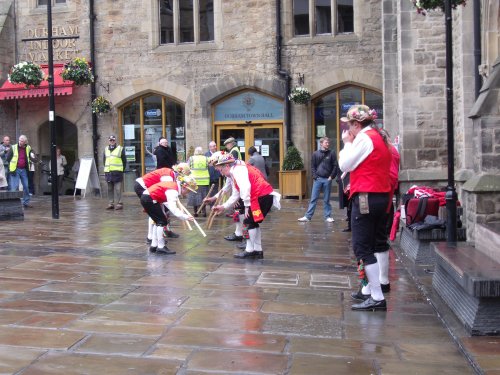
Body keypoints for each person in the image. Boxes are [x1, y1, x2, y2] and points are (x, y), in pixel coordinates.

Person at [338, 105, 392, 311]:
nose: (348, 130)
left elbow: (345, 165)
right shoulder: (379, 137)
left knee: (362, 247)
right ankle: (370, 289)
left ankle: (377, 297)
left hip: (367, 198)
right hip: (381, 196)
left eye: (349, 125)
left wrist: (346, 144)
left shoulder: (363, 138)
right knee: (375, 243)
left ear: (356, 124)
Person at [211, 153, 281, 259]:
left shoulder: (237, 170)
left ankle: (249, 250)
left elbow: (245, 187)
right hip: (263, 196)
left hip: (261, 196)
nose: (221, 173)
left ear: (227, 166)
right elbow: (235, 194)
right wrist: (224, 207)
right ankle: (257, 250)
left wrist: (247, 206)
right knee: (253, 223)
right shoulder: (235, 171)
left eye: (221, 170)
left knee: (248, 222)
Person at [140, 175, 196, 255]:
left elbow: (168, 203)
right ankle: (161, 247)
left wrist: (183, 216)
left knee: (158, 221)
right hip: (149, 198)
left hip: (148, 197)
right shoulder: (173, 190)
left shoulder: (173, 186)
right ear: (184, 187)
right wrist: (185, 217)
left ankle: (154, 245)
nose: (188, 193)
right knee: (162, 221)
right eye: (188, 191)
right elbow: (173, 208)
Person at [134, 165, 187, 243]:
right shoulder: (168, 176)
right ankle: (152, 237)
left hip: (146, 187)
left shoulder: (170, 174)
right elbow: (165, 189)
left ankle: (158, 236)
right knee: (155, 212)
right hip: (143, 187)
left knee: (159, 212)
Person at [298, 137, 339, 223]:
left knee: (326, 199)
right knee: (313, 199)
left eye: (328, 142)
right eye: (326, 143)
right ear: (321, 144)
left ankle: (327, 216)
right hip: (318, 179)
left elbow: (335, 166)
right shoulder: (315, 154)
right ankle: (308, 216)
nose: (328, 144)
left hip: (327, 179)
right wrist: (315, 176)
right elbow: (312, 166)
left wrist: (331, 177)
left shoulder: (332, 153)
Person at [6, 135, 35, 208]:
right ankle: (13, 204)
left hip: (24, 170)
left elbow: (32, 157)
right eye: (19, 140)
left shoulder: (28, 147)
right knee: (14, 187)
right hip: (15, 170)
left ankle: (26, 203)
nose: (20, 142)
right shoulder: (13, 147)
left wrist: (35, 157)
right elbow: (8, 158)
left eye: (22, 141)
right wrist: (11, 168)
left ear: (25, 142)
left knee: (26, 186)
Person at [103, 135, 126, 210]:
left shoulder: (120, 149)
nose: (112, 141)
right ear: (109, 141)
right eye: (110, 140)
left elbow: (124, 160)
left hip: (117, 172)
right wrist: (106, 168)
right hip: (108, 172)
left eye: (113, 140)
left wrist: (122, 170)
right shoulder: (106, 149)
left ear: (115, 141)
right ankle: (111, 203)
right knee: (109, 188)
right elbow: (104, 160)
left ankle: (119, 203)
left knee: (118, 188)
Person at [187, 147, 210, 217]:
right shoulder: (206, 158)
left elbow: (187, 168)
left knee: (194, 196)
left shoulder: (191, 158)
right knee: (203, 196)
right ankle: (204, 212)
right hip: (204, 181)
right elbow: (209, 165)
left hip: (194, 181)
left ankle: (195, 212)